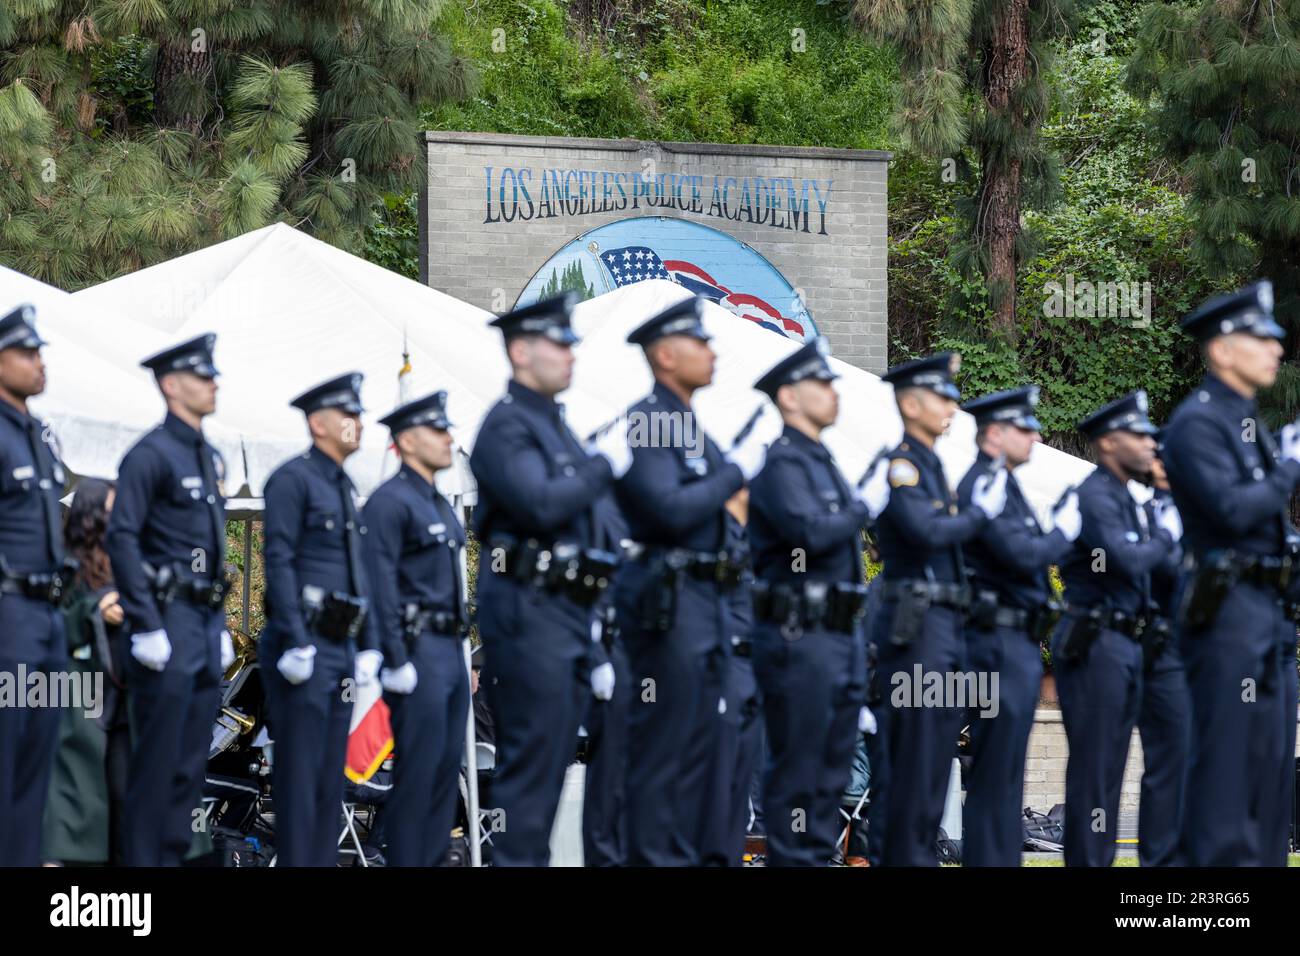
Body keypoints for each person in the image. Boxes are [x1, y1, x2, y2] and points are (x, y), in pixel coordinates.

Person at [469, 293, 629, 866]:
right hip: (528, 619)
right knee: (529, 786)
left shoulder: (554, 427)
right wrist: (604, 465)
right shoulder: (506, 426)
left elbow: (595, 525)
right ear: (520, 351)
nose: (569, 356)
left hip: (566, 619)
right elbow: (538, 504)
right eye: (557, 345)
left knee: (555, 772)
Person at [611, 295, 768, 866]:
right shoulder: (652, 418)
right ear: (667, 355)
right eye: (699, 342)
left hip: (707, 611)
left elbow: (730, 516)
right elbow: (670, 510)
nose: (711, 351)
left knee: (705, 761)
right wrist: (732, 471)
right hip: (671, 611)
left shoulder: (689, 425)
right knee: (666, 763)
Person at [1161, 280, 1300, 866]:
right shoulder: (1198, 424)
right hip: (1226, 617)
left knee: (1268, 784)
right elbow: (1229, 509)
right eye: (1260, 339)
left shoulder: (1247, 424)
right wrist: (1290, 466)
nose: (1276, 349)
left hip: (1265, 617)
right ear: (1222, 350)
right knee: (1226, 787)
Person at [747, 338, 890, 866]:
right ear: (789, 397)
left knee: (828, 780)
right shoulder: (784, 463)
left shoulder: (820, 460)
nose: (833, 392)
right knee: (799, 780)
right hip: (798, 640)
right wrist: (861, 507)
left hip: (834, 641)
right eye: (820, 383)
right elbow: (808, 533)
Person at [871, 351, 1008, 866]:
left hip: (945, 634)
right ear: (910, 402)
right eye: (941, 396)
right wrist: (975, 514)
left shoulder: (932, 468)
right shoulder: (902, 465)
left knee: (933, 770)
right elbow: (925, 533)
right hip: (918, 634)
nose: (952, 405)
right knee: (912, 773)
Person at [106, 333, 232, 867]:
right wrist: (146, 622)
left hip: (201, 625)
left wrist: (220, 622)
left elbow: (213, 550)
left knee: (188, 774)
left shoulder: (207, 455)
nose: (213, 383)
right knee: (155, 773)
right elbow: (121, 536)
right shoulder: (151, 454)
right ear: (171, 384)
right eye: (203, 377)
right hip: (167, 622)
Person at [1052, 390, 1182, 867]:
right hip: (1095, 644)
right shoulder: (1095, 496)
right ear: (1108, 443)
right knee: (1097, 773)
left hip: (1126, 643)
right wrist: (1166, 529)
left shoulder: (1127, 499)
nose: (1150, 445)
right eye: (1139, 435)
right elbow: (1128, 560)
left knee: (1121, 768)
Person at [956, 386, 1081, 866]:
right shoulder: (984, 484)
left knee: (1006, 774)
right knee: (995, 773)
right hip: (996, 644)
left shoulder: (1004, 485)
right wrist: (1062, 531)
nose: (1036, 435)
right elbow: (1021, 554)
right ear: (995, 433)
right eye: (1024, 427)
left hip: (1016, 641)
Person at [260, 372, 381, 867]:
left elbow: (359, 572)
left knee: (330, 785)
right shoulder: (293, 479)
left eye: (359, 415)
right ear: (317, 424)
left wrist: (369, 643)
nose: (357, 424)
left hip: (339, 648)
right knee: (300, 784)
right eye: (346, 415)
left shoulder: (343, 485)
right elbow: (279, 559)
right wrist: (293, 638)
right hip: (304, 646)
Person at [362, 390, 470, 867]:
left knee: (445, 781)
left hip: (448, 652)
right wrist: (395, 657)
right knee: (419, 779)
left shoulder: (439, 504)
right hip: (416, 650)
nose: (448, 438)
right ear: (406, 440)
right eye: (438, 430)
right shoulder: (389, 503)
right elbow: (377, 586)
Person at [0, 304, 71, 867]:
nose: (38, 362)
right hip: (8, 617)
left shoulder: (39, 436)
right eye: (26, 353)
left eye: (39, 351)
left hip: (45, 618)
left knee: (34, 769)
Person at [42, 478, 132, 866]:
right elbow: (56, 628)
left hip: (125, 704)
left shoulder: (130, 567)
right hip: (81, 702)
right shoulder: (66, 569)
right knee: (81, 803)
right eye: (109, 514)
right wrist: (97, 608)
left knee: (124, 803)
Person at [1134, 444, 1190, 867]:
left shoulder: (1195, 516)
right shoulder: (1143, 514)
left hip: (1197, 654)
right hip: (1161, 649)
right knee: (1166, 765)